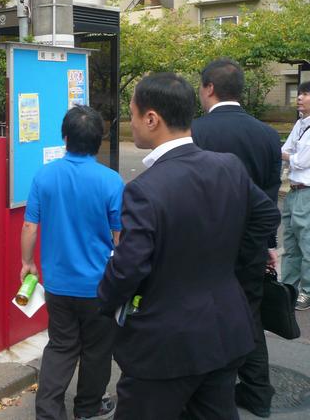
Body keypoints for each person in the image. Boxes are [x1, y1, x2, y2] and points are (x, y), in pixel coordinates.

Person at [98, 73, 280, 420]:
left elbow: (129, 267)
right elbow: (266, 215)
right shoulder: (229, 166)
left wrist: (104, 303)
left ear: (152, 118)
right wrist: (232, 266)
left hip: (165, 344)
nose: (131, 122)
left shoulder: (144, 189)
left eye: (132, 113)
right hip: (225, 330)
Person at [20, 106, 123, 420]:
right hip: (98, 287)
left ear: (64, 138)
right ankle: (88, 407)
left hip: (58, 285)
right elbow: (120, 237)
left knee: (61, 346)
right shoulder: (111, 181)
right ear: (98, 141)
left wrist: (28, 264)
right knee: (96, 351)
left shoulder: (45, 176)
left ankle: (48, 412)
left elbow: (30, 227)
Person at [192, 58, 281, 417]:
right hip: (251, 245)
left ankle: (208, 394)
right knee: (250, 315)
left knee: (201, 316)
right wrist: (268, 245)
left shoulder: (196, 132)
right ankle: (258, 394)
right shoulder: (267, 134)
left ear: (209, 88)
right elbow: (270, 195)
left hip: (205, 245)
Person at [281, 80, 310, 312]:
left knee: (306, 243)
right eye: (299, 93)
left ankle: (307, 291)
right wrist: (289, 155)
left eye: (305, 94)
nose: (299, 97)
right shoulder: (300, 124)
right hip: (293, 190)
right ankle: (288, 287)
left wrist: (289, 156)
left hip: (306, 193)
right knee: (290, 242)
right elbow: (287, 151)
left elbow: (299, 159)